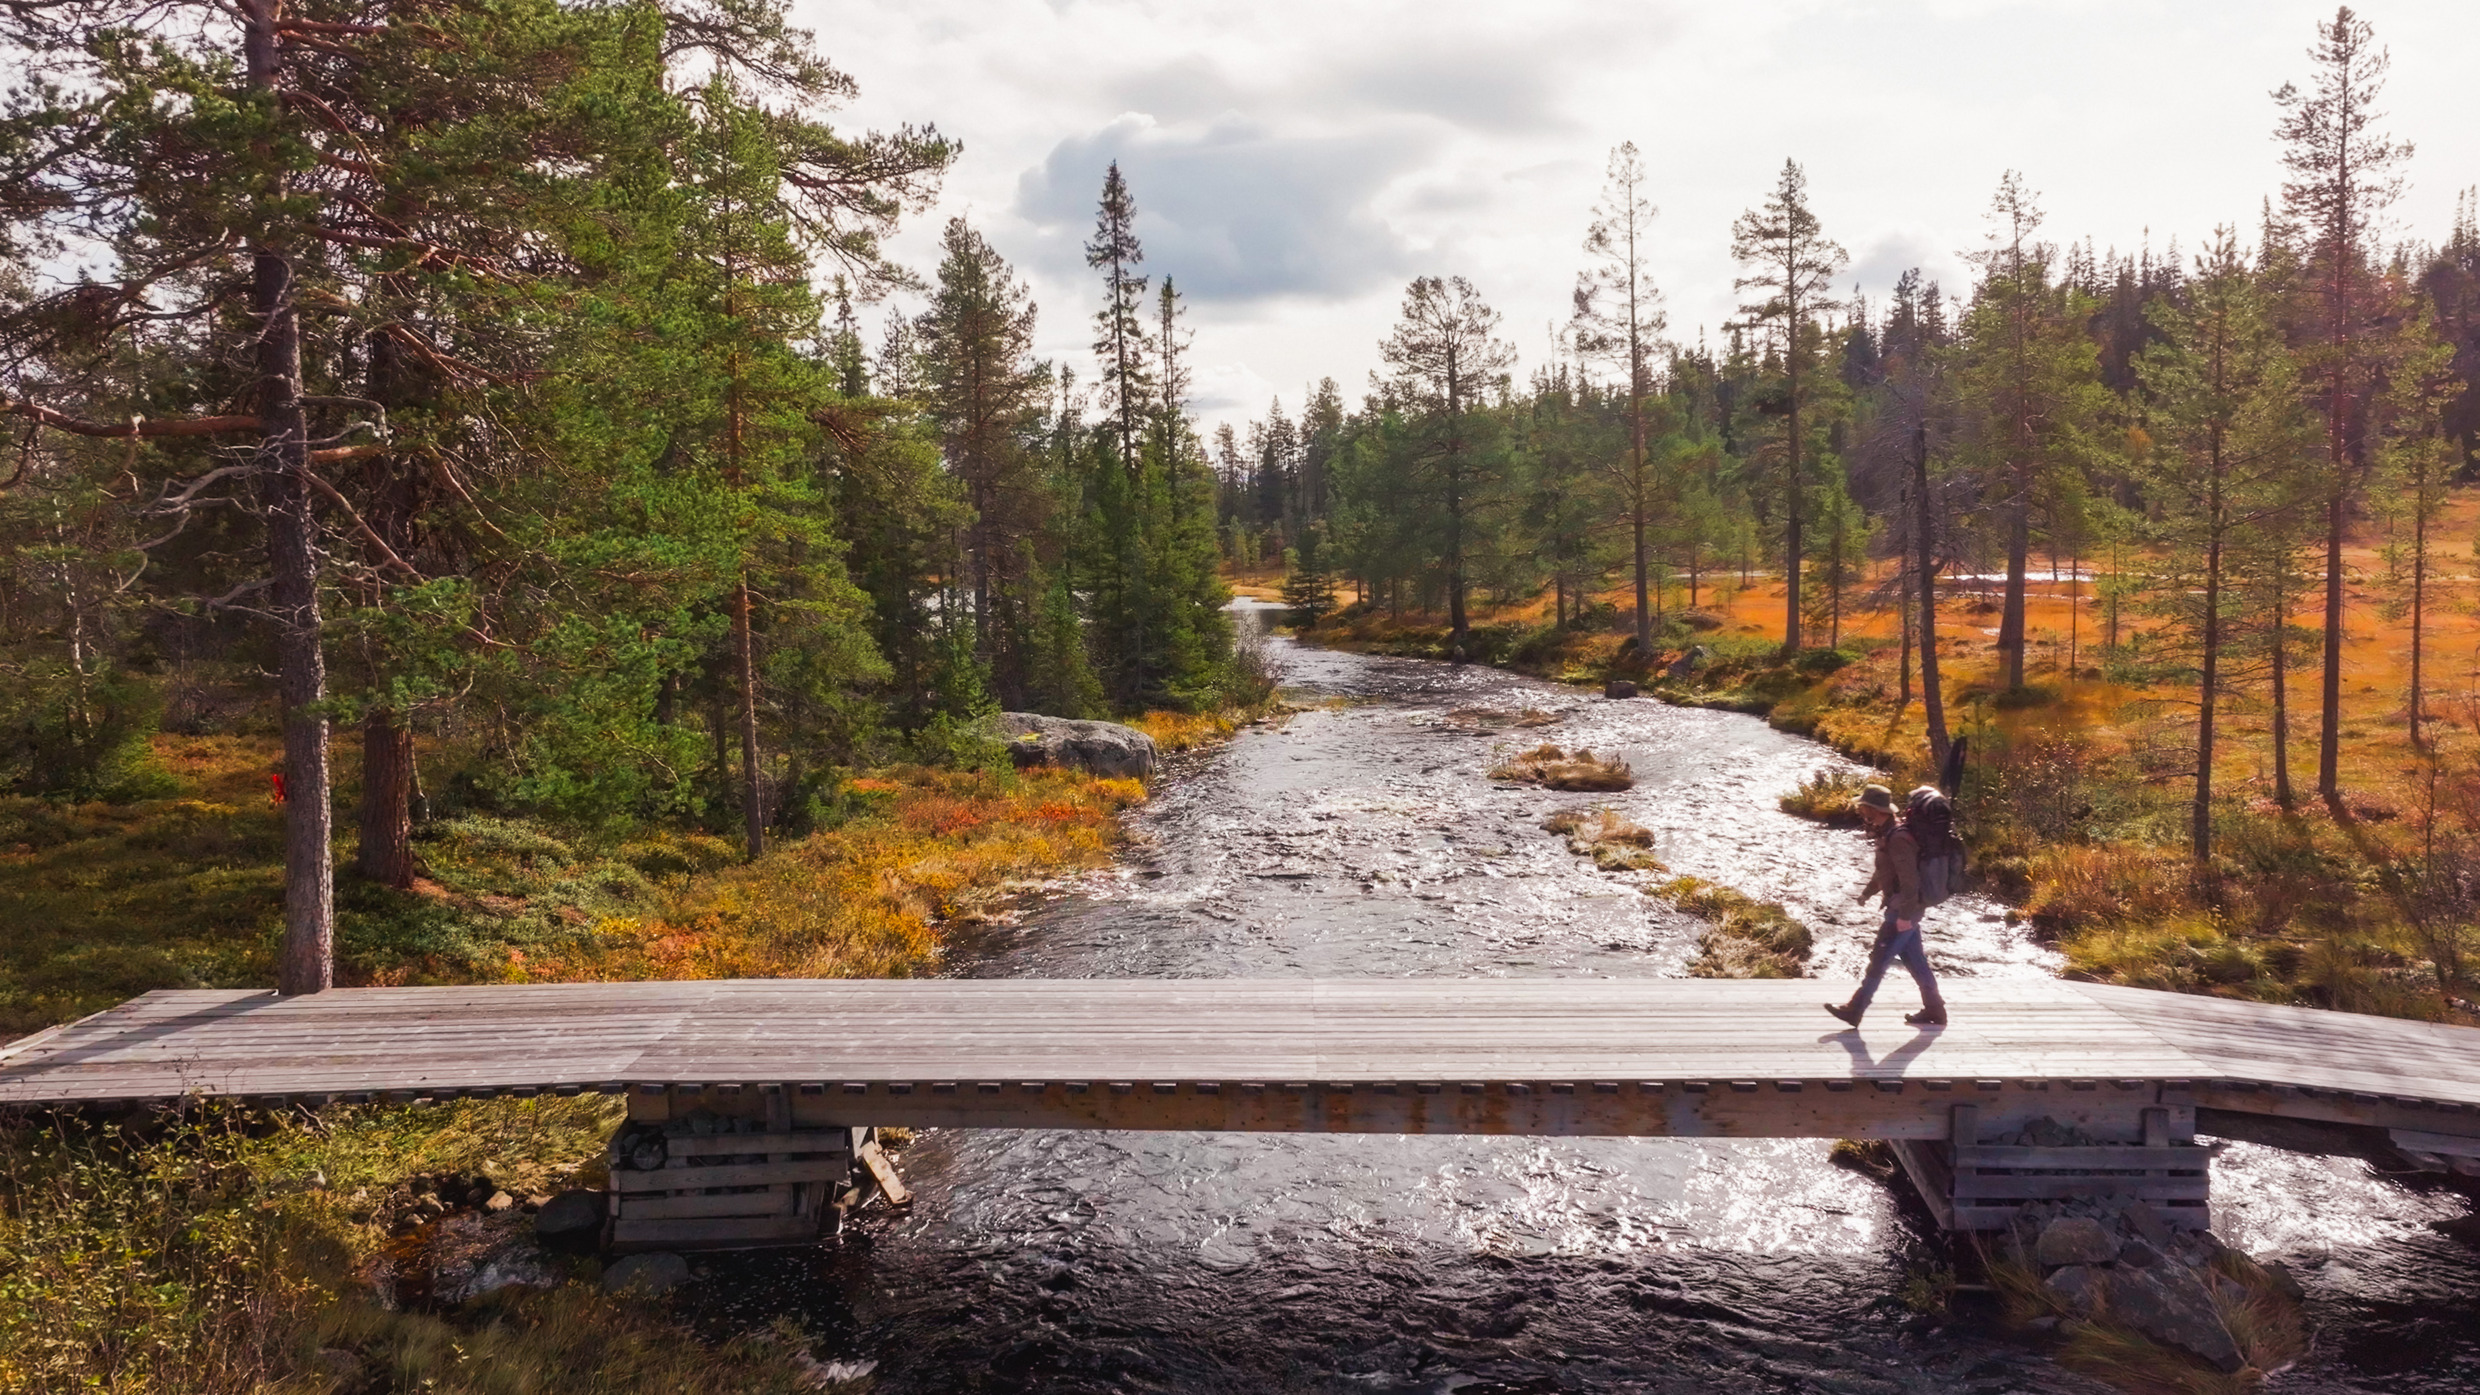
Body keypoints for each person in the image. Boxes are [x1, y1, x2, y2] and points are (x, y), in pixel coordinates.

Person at [1825, 783, 1948, 1028]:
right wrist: (1867, 893)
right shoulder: (1888, 833)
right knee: (1916, 961)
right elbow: (1885, 872)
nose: (1860, 810)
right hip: (1905, 909)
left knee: (1879, 960)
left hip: (1903, 911)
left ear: (1874, 809)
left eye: (1863, 807)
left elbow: (1909, 880)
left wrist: (1904, 915)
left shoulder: (1899, 838)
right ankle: (1935, 1010)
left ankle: (1855, 1009)